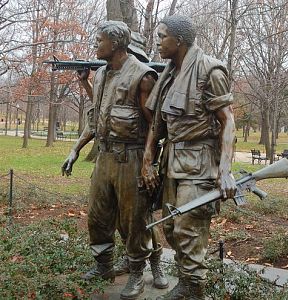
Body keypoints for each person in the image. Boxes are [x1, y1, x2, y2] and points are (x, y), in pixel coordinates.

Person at [62, 21, 168, 299]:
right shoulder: (100, 75)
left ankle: (137, 274)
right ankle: (103, 266)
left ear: (116, 43)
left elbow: (155, 127)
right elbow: (97, 118)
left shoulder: (143, 77)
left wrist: (148, 164)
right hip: (105, 157)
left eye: (99, 40)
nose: (95, 45)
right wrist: (75, 150)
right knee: (98, 216)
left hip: (131, 157)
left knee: (133, 222)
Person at [142, 15, 236, 299]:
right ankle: (187, 281)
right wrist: (148, 158)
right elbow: (158, 121)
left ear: (179, 40)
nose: (157, 41)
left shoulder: (210, 71)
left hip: (200, 163)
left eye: (162, 36)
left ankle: (193, 288)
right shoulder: (169, 73)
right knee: (170, 225)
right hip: (173, 161)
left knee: (189, 226)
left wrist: (225, 170)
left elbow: (228, 122)